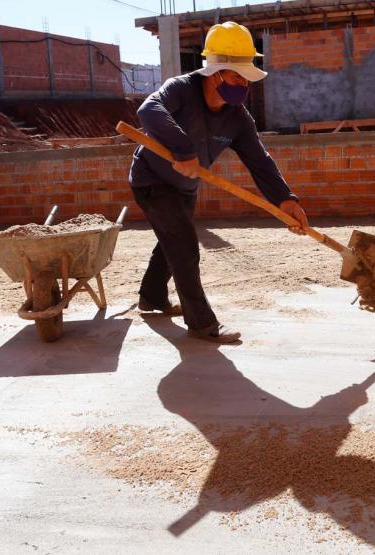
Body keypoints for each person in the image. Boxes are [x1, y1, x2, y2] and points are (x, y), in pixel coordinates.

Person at [129, 21, 308, 344]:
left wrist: (286, 200)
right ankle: (201, 324)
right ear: (216, 73)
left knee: (171, 238)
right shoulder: (181, 89)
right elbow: (148, 110)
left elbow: (260, 161)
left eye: (246, 77)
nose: (243, 84)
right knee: (183, 244)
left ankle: (151, 298)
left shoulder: (238, 117)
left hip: (185, 185)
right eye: (237, 76)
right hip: (151, 179)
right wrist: (183, 148)